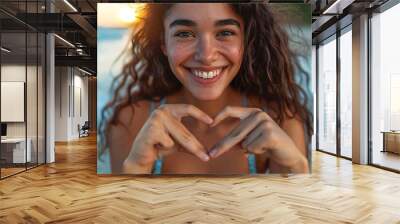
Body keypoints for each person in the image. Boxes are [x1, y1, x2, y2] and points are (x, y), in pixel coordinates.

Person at [99, 2, 313, 175]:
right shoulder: (129, 121)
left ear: (246, 41)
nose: (206, 55)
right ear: (163, 43)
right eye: (184, 34)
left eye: (225, 32)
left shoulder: (282, 119)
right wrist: (135, 169)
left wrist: (297, 169)